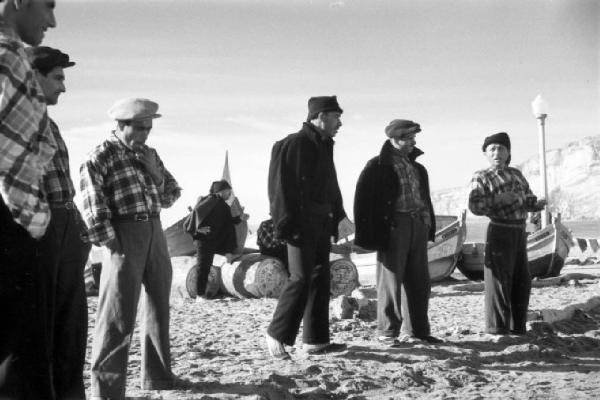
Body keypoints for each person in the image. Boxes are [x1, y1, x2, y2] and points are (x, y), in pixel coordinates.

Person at [80, 98, 183, 399]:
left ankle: (158, 378)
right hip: (123, 232)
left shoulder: (150, 154)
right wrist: (110, 241)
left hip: (155, 229)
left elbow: (171, 195)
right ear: (121, 124)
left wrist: (155, 173)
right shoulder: (100, 156)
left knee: (157, 306)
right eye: (140, 128)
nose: (146, 134)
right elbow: (91, 202)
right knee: (116, 313)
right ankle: (107, 389)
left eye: (149, 128)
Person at [265, 95, 355, 358]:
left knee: (319, 278)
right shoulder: (293, 144)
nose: (340, 123)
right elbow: (279, 188)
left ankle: (316, 341)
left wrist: (340, 217)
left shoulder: (325, 146)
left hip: (321, 224)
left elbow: (331, 187)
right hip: (299, 225)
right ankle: (276, 334)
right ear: (320, 116)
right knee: (301, 278)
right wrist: (284, 225)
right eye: (336, 116)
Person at [26, 45, 92, 400]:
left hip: (65, 227)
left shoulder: (46, 121)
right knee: (39, 326)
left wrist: (76, 227)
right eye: (57, 77)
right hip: (38, 229)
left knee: (71, 325)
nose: (64, 87)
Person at [0, 2, 58, 399]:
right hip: (10, 223)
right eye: (48, 5)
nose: (52, 21)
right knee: (22, 361)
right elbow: (15, 156)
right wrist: (30, 220)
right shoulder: (7, 58)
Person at [354, 119, 442, 346]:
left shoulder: (417, 167)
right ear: (394, 138)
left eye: (414, 138)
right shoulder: (377, 166)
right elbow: (363, 201)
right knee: (390, 281)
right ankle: (387, 332)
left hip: (417, 225)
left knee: (419, 281)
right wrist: (371, 234)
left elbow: (424, 198)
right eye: (408, 138)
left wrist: (426, 223)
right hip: (394, 226)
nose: (413, 142)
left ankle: (418, 331)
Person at [468, 132, 545, 336]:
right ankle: (497, 328)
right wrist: (499, 200)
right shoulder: (481, 176)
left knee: (522, 280)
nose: (497, 152)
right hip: (500, 229)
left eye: (501, 148)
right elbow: (475, 206)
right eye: (492, 149)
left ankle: (517, 327)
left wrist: (535, 205)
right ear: (485, 153)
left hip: (519, 231)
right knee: (499, 280)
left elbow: (528, 198)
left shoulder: (516, 174)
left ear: (508, 152)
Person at [184, 179, 249, 298]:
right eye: (228, 192)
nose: (229, 195)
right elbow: (190, 220)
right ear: (222, 191)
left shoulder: (223, 205)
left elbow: (228, 222)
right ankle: (200, 295)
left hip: (215, 240)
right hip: (204, 240)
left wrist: (240, 218)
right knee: (203, 267)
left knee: (207, 266)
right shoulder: (207, 201)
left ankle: (228, 254)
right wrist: (198, 230)